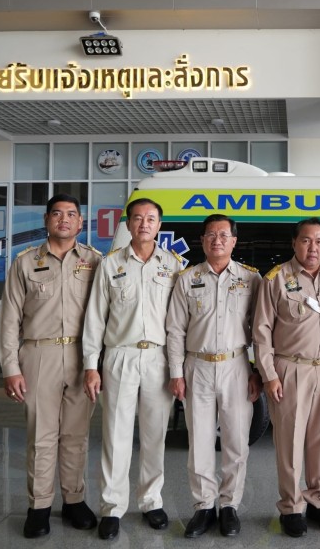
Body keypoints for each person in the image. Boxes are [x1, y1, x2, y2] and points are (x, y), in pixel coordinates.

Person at [0, 193, 101, 538]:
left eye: (71, 214)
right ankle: (39, 506)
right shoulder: (25, 262)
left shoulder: (94, 261)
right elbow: (9, 320)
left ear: (80, 222)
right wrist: (10, 368)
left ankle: (74, 500)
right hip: (38, 355)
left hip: (82, 356)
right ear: (46, 220)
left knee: (76, 435)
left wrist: (98, 363)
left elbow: (104, 315)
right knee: (41, 436)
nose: (64, 219)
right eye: (57, 214)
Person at [82, 198, 183, 540]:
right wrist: (91, 365)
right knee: (116, 434)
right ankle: (112, 507)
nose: (143, 224)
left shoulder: (173, 265)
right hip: (119, 356)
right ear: (128, 225)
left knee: (155, 435)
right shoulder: (110, 264)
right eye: (137, 218)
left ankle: (151, 501)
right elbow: (95, 318)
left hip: (158, 358)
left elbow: (179, 321)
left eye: (150, 219)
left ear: (159, 225)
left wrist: (178, 366)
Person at [166, 214, 262, 538]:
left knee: (236, 441)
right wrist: (176, 373)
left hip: (237, 366)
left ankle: (230, 505)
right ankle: (204, 506)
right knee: (200, 441)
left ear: (234, 241)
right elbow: (175, 330)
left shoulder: (251, 278)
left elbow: (261, 330)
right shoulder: (187, 279)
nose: (217, 240)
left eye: (223, 235)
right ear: (202, 240)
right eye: (211, 234)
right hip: (198, 367)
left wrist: (257, 371)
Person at [253, 217, 320, 538]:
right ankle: (291, 506)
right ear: (294, 243)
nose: (313, 247)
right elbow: (262, 331)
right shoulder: (276, 279)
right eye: (306, 240)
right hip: (290, 368)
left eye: (319, 241)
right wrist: (269, 374)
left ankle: (318, 500)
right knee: (290, 441)